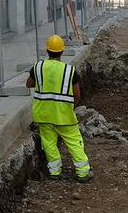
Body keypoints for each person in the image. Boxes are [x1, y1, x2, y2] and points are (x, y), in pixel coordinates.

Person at [26, 35, 92, 183]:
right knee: (74, 142)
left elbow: (29, 84)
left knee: (49, 143)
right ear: (62, 51)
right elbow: (77, 95)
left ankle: (55, 172)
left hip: (43, 114)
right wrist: (71, 108)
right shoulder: (69, 71)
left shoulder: (38, 66)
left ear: (47, 50)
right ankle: (82, 172)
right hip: (64, 116)